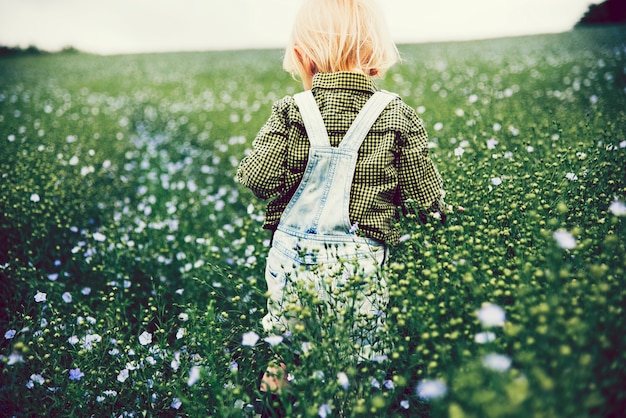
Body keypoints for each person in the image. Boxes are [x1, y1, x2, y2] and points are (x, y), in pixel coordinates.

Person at [235, 0, 447, 412]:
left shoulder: (291, 111)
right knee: (358, 358)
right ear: (376, 51)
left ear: (301, 53)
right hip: (361, 261)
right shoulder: (398, 115)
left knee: (288, 337)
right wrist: (436, 210)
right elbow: (426, 202)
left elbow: (257, 181)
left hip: (292, 257)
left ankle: (279, 392)